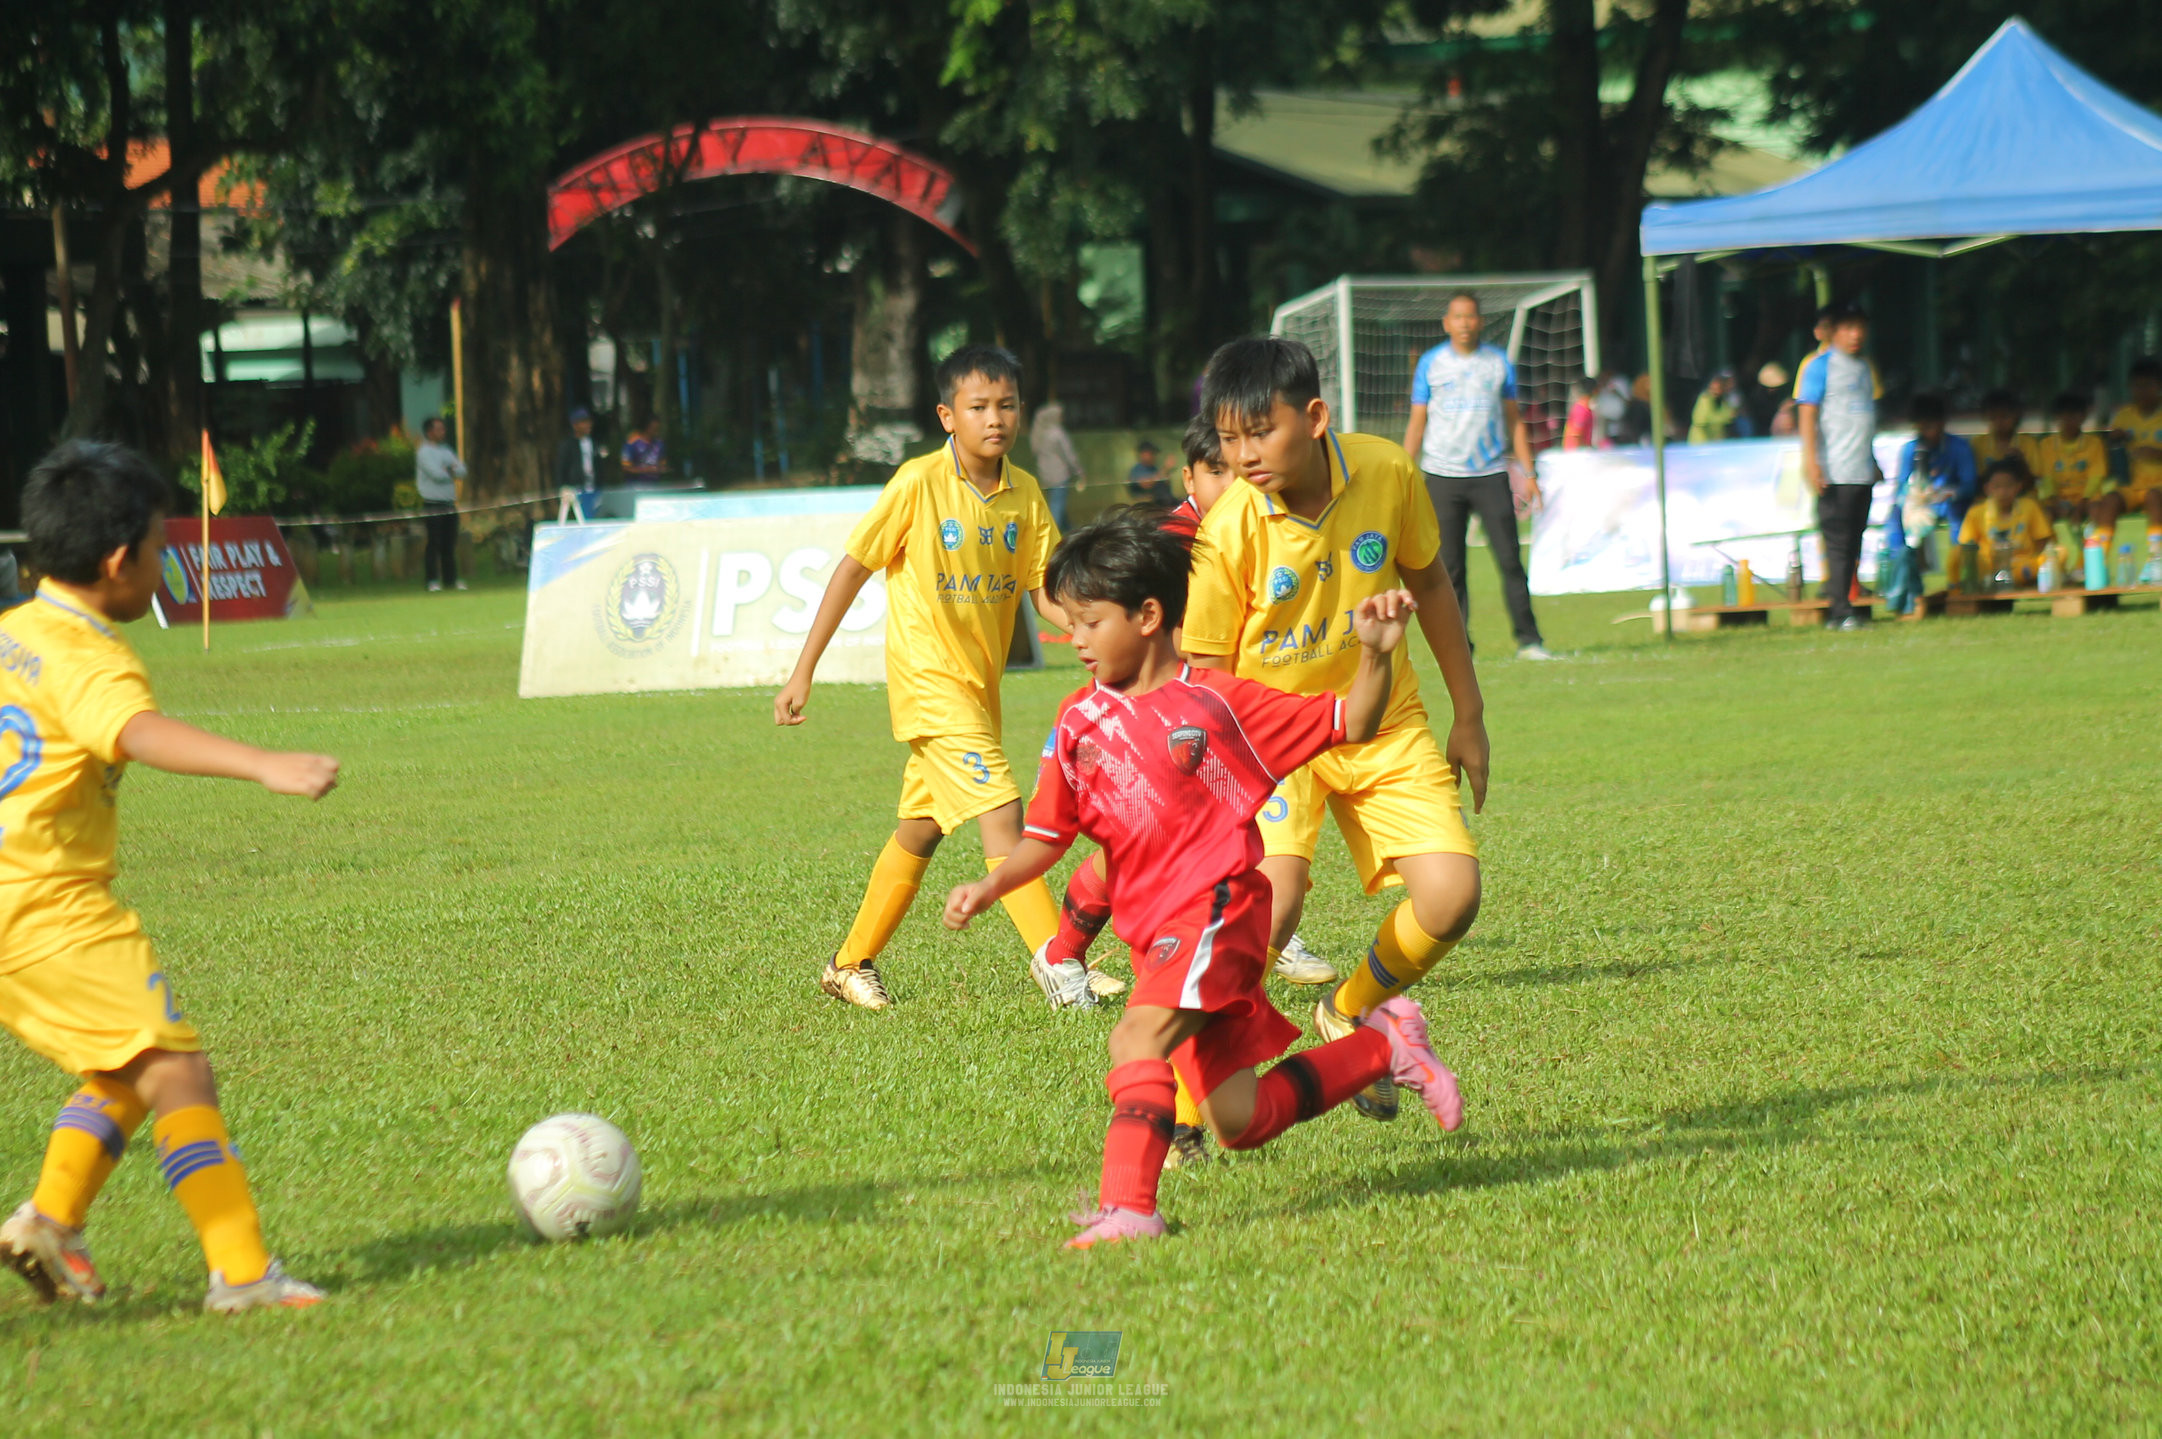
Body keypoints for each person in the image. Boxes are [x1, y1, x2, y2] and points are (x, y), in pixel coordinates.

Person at [942, 511, 1462, 1249]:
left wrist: (1376, 654)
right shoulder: (1077, 720)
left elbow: (1352, 718)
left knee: (1135, 1036)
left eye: (1090, 621)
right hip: (1157, 938)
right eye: (1070, 623)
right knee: (1239, 1118)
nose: (1076, 639)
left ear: (1149, 616)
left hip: (1219, 909)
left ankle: (1130, 1208)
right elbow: (1046, 836)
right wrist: (993, 886)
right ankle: (1384, 1045)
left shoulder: (1221, 705)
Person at [0, 441, 339, 1313]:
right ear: (118, 563)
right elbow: (135, 731)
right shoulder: (92, 655)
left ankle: (49, 1219)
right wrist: (263, 762)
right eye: (160, 545)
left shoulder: (14, 630)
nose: (166, 561)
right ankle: (243, 1271)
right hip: (47, 907)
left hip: (18, 904)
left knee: (123, 1067)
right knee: (177, 1069)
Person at [1187, 337, 1488, 1128]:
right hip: (1277, 746)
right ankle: (1188, 1106)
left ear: (1315, 417)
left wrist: (1471, 712)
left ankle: (1348, 1011)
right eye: (1227, 437)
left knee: (1453, 897)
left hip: (1383, 720)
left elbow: (1430, 582)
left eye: (1260, 431)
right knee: (1272, 911)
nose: (1243, 454)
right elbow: (1206, 672)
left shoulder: (1388, 472)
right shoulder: (1227, 531)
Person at [1034, 412, 1332, 1173]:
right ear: (1192, 475)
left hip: (1228, 740)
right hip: (1163, 731)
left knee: (1151, 1013)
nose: (1234, 479)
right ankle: (1067, 952)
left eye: (1241, 464)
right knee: (1125, 855)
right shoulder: (1161, 545)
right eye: (1218, 467)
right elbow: (1076, 603)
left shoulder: (1274, 524)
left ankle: (1146, 1174)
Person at [774, 345, 1066, 1011]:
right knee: (1002, 810)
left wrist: (1079, 621)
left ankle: (848, 964)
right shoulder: (917, 482)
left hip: (979, 688)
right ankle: (1061, 967)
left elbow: (1042, 585)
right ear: (947, 415)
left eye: (1007, 405)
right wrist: (803, 670)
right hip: (928, 684)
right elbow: (853, 567)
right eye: (979, 407)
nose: (996, 418)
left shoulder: (1024, 493)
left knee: (922, 826)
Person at [1401, 290, 1551, 660]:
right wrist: (1403, 471)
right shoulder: (1431, 365)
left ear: (1480, 321)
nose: (1465, 323)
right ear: (1447, 323)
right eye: (1458, 317)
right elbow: (1418, 422)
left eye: (1471, 316)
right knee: (1449, 568)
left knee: (1510, 560)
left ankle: (1529, 640)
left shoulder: (1498, 363)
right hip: (1440, 475)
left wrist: (1528, 472)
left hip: (1490, 473)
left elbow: (1514, 421)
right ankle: (1459, 647)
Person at [1796, 303, 1880, 630]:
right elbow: (1807, 414)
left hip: (1860, 469)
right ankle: (1839, 611)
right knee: (1838, 541)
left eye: (1860, 327)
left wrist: (1872, 460)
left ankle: (1847, 603)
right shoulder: (1819, 367)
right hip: (1835, 469)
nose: (1855, 334)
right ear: (1832, 331)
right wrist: (1812, 462)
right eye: (1848, 327)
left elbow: (1864, 419)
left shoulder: (1863, 368)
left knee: (1855, 539)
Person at [1882, 395, 1975, 613]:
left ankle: (1959, 581)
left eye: (1930, 425)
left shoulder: (1959, 448)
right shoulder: (1910, 450)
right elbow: (1902, 487)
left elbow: (1969, 485)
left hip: (1952, 503)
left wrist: (1948, 493)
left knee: (1958, 516)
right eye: (1920, 425)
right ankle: (1904, 583)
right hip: (1921, 504)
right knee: (1895, 516)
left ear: (1942, 423)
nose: (1925, 431)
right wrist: (1914, 496)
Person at [2103, 356, 2162, 583]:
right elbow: (2114, 460)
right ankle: (2095, 562)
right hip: (2132, 484)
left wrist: (2156, 454)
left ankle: (2156, 558)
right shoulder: (2124, 416)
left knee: (2154, 497)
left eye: (2148, 385)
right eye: (2137, 385)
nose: (2142, 391)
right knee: (2109, 501)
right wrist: (2115, 443)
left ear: (2159, 386)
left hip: (2158, 485)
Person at [1958, 460, 2054, 586]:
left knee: (2058, 553)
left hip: (2022, 563)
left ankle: (2013, 578)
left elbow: (2042, 540)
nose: (2003, 492)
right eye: (1997, 487)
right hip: (1989, 565)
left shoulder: (2029, 506)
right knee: (1955, 555)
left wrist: (2035, 562)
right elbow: (1966, 547)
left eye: (2008, 486)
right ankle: (1960, 587)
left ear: (2018, 486)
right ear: (1987, 489)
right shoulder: (1976, 513)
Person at [2033, 392, 2108, 526]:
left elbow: (2095, 478)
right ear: (2057, 417)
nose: (2068, 421)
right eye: (2064, 416)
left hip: (2087, 497)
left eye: (2074, 416)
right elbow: (2047, 477)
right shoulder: (2047, 445)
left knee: (2097, 510)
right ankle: (2049, 545)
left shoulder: (2094, 443)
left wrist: (2082, 503)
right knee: (2044, 514)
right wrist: (2056, 502)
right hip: (2058, 497)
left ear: (2083, 417)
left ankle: (2096, 543)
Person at [413, 416, 467, 593]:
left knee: (449, 543)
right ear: (430, 432)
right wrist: (450, 470)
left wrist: (450, 470)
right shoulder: (424, 452)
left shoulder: (446, 451)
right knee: (434, 542)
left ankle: (450, 579)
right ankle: (432, 580)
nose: (442, 432)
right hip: (432, 503)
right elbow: (436, 474)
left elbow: (462, 471)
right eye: (439, 429)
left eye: (443, 429)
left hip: (449, 503)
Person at [1028, 402, 1083, 530]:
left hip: (1045, 474)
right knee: (1057, 504)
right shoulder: (1057, 433)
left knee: (1057, 502)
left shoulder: (1038, 433)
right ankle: (1054, 532)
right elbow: (1069, 454)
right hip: (1060, 474)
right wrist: (1078, 471)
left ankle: (1069, 528)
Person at [553, 408, 607, 519]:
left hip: (594, 489)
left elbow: (599, 466)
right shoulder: (567, 446)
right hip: (576, 490)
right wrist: (563, 487)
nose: (588, 425)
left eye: (588, 422)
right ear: (575, 425)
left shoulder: (594, 444)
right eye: (584, 422)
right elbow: (561, 468)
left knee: (595, 517)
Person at [1688, 370, 1739, 443]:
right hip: (1700, 442)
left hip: (1716, 442)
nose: (1718, 386)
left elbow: (1731, 415)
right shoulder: (1704, 398)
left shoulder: (1724, 399)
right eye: (1716, 383)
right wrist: (1725, 417)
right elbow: (1700, 420)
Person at [1126, 441, 1169, 505]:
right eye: (1151, 453)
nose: (1154, 456)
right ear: (1143, 454)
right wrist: (1166, 468)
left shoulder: (1154, 469)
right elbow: (1146, 484)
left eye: (1154, 453)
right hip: (1144, 506)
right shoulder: (1137, 469)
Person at [1562, 376, 1599, 450]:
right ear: (1595, 390)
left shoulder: (1585, 409)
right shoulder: (1581, 411)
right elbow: (1575, 435)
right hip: (1577, 455)